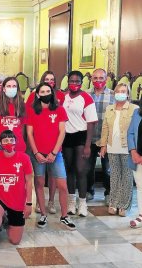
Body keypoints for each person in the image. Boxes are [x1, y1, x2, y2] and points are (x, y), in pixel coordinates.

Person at [26, 83, 76, 230]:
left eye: (48, 91)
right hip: (38, 155)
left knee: (62, 185)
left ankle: (65, 216)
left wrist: (54, 152)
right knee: (40, 184)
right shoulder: (32, 111)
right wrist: (36, 153)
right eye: (43, 91)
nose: (46, 93)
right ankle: (43, 214)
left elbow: (62, 132)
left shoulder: (59, 110)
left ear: (52, 93)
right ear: (37, 94)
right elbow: (29, 133)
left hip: (56, 154)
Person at [26, 71, 63, 214]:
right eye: (46, 79)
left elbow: (61, 117)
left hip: (55, 142)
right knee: (39, 176)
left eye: (52, 80)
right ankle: (39, 203)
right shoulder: (33, 96)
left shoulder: (60, 96)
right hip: (37, 142)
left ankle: (52, 201)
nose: (49, 82)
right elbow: (29, 118)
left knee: (53, 174)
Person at [0, 130, 33, 245]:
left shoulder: (24, 158)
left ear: (16, 142)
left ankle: (6, 220)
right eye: (5, 140)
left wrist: (28, 203)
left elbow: (29, 181)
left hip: (17, 201)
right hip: (0, 197)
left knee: (15, 241)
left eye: (11, 140)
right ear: (1, 143)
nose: (9, 142)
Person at [62, 71, 97, 217]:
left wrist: (88, 145)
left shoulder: (86, 98)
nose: (74, 84)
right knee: (69, 170)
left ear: (82, 83)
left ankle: (82, 203)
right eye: (72, 81)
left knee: (81, 170)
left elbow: (91, 123)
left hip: (81, 136)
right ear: (68, 81)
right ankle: (71, 201)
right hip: (66, 136)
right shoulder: (63, 96)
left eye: (77, 81)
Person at [99, 83, 137, 216]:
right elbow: (105, 128)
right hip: (112, 147)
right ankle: (114, 203)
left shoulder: (134, 109)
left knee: (126, 177)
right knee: (114, 176)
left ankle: (124, 206)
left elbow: (136, 130)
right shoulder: (110, 108)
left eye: (123, 91)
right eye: (118, 91)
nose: (120, 93)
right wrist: (103, 145)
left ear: (127, 94)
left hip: (128, 148)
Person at [86, 68, 114, 203]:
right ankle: (88, 191)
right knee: (88, 167)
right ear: (91, 79)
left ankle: (108, 193)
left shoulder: (113, 95)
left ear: (106, 79)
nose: (98, 81)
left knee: (108, 168)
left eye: (101, 78)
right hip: (89, 138)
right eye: (95, 78)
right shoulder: (86, 95)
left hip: (107, 139)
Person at [0, 77, 27, 152]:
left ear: (17, 89)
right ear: (3, 89)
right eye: (8, 86)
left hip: (18, 144)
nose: (11, 88)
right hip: (0, 145)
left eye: (14, 86)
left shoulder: (23, 106)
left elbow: (23, 127)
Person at [128, 98, 142, 228]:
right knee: (140, 186)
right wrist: (133, 152)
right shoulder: (137, 112)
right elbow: (130, 132)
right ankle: (141, 215)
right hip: (137, 157)